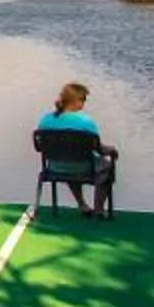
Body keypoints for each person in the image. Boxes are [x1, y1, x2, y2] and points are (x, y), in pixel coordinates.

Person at [34, 81, 118, 216]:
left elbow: (40, 146)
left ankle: (82, 205)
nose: (84, 103)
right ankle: (99, 209)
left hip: (55, 166)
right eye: (83, 99)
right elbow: (99, 149)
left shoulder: (46, 120)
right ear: (76, 101)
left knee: (70, 158)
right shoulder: (85, 122)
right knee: (107, 167)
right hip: (84, 167)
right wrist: (112, 151)